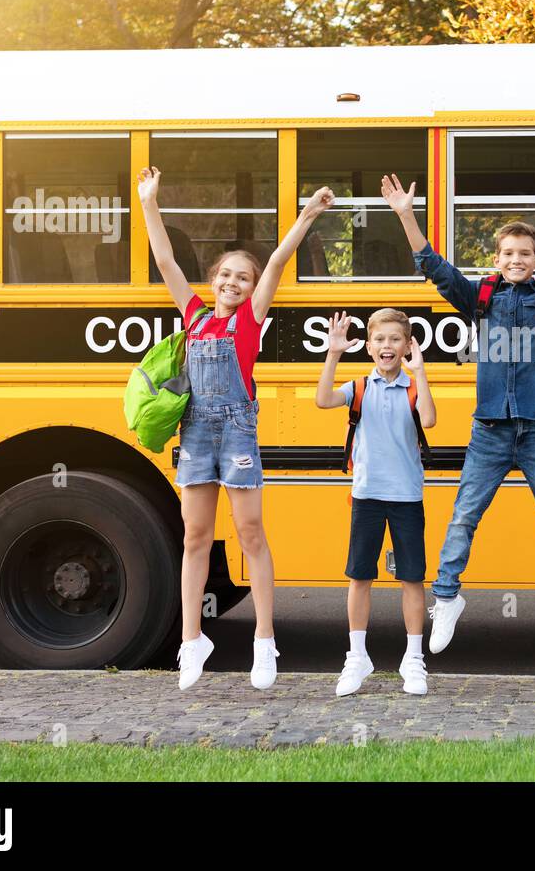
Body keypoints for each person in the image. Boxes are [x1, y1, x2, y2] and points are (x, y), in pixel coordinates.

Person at [381, 163, 535, 654]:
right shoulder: (480, 297)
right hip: (490, 431)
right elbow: (434, 266)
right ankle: (448, 599)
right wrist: (406, 217)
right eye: (507, 254)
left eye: (524, 253)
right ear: (496, 259)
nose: (515, 259)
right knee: (462, 518)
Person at [138, 165, 334, 688]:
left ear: (250, 291)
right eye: (226, 275)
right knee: (195, 537)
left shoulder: (249, 320)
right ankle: (191, 640)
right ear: (213, 281)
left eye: (241, 279)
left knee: (250, 533)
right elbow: (164, 259)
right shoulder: (194, 314)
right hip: (197, 434)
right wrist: (150, 203)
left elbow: (277, 260)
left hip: (239, 434)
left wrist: (309, 215)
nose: (233, 282)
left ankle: (264, 641)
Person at [315, 308, 436, 696]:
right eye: (380, 340)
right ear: (368, 347)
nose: (388, 346)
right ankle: (356, 656)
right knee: (360, 576)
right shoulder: (358, 388)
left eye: (395, 340)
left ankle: (413, 659)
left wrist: (420, 373)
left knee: (412, 577)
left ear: (407, 346)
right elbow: (321, 399)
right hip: (366, 495)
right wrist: (333, 353)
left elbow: (430, 421)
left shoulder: (413, 387)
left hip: (406, 497)